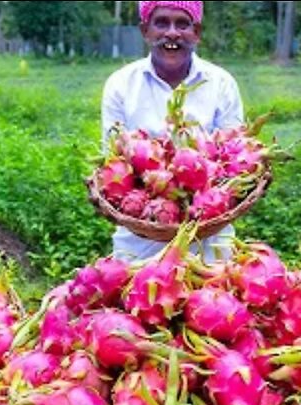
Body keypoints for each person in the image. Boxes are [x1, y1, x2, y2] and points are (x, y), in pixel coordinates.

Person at [102, 0, 245, 264]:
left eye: (183, 23)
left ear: (197, 32)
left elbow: (235, 160)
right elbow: (111, 161)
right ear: (145, 30)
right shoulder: (120, 85)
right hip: (140, 242)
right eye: (161, 22)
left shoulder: (222, 84)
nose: (172, 33)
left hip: (209, 241)